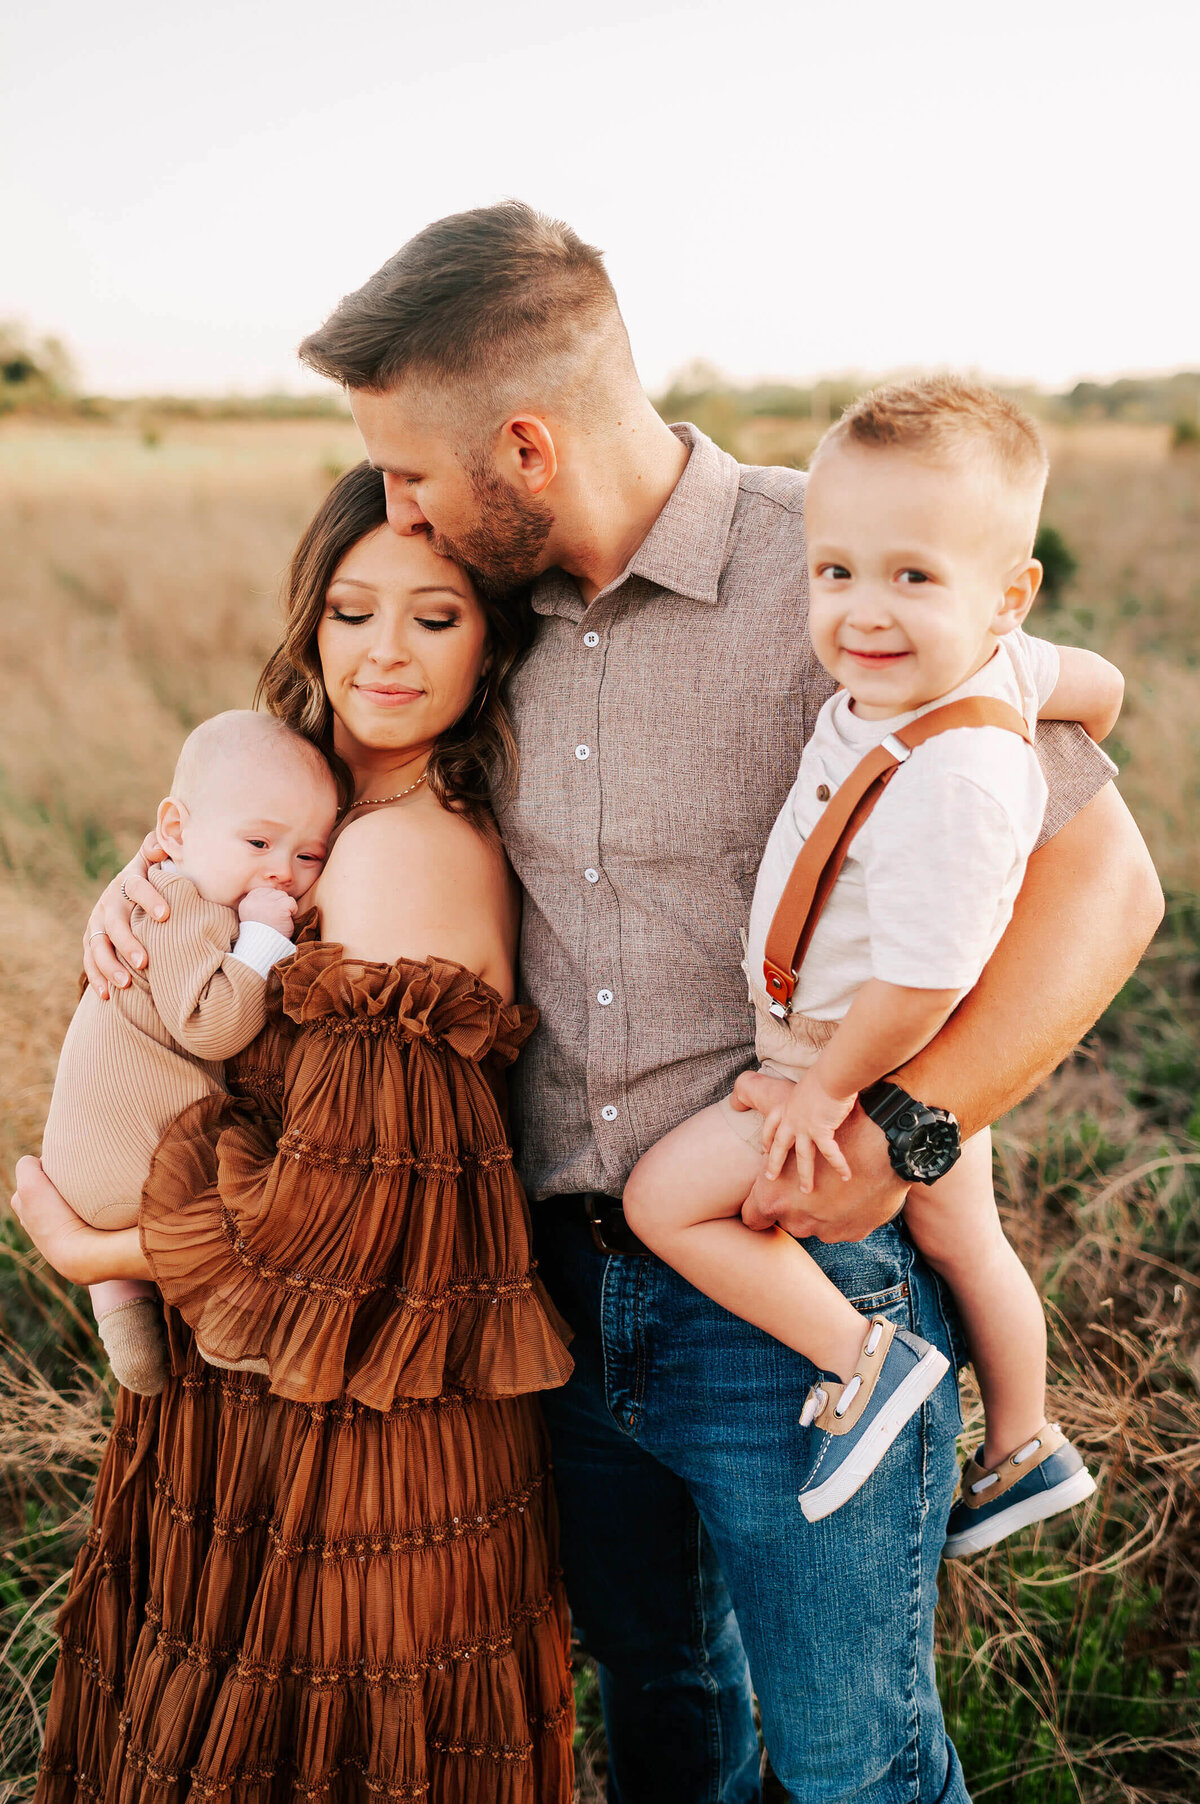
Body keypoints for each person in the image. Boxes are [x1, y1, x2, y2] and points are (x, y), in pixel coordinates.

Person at [22, 203, 1162, 1803]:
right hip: (549, 1296)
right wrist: (160, 887)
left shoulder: (831, 568)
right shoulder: (479, 621)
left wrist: (912, 1122)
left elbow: (1108, 886)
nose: (396, 506)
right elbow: (331, 801)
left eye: (412, 471)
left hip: (784, 1287)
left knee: (855, 1766)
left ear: (525, 445)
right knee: (667, 1713)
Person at [13, 467, 576, 1803]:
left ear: (492, 633)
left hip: (351, 1423)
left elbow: (356, 1216)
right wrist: (156, 887)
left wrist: (97, 1242)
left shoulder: (398, 850)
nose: (383, 652)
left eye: (435, 617)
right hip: (281, 1388)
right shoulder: (323, 818)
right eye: (350, 610)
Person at [623, 376, 1123, 1546]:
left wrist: (826, 1091)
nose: (863, 612)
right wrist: (1096, 700)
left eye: (913, 576)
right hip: (900, 1055)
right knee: (965, 1235)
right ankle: (1023, 1442)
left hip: (849, 1050)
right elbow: (1087, 682)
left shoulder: (957, 775)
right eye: (836, 571)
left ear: (1007, 595)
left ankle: (867, 1363)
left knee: (667, 1199)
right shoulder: (998, 667)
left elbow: (926, 980)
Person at [41, 710, 338, 1394]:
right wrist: (262, 941)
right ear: (174, 831)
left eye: (307, 855)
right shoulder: (186, 907)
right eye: (259, 842)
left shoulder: (166, 889)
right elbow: (212, 1028)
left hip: (81, 1164)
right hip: (142, 1167)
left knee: (140, 1347)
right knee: (235, 1197)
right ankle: (236, 1329)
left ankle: (130, 1332)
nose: (281, 874)